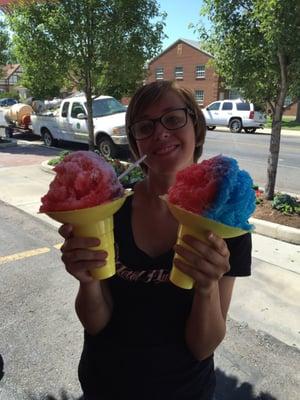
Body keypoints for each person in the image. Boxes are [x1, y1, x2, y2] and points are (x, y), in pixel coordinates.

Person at [59, 80, 252, 400]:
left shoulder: (226, 224)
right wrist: (87, 280)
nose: (160, 133)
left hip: (183, 390)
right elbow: (96, 325)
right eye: (144, 126)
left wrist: (205, 288)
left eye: (173, 118)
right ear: (135, 143)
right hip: (104, 384)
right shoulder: (110, 210)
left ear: (197, 127)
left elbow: (202, 346)